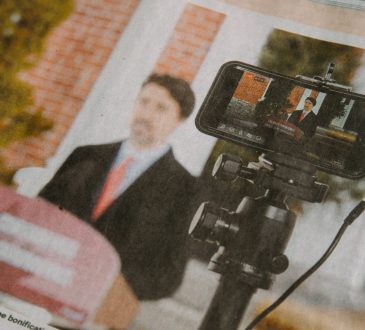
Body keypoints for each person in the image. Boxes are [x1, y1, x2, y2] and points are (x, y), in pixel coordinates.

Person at [39, 73, 197, 300]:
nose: (146, 114)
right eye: (143, 102)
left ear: (179, 120)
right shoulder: (85, 156)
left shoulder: (185, 188)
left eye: (161, 108)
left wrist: (111, 288)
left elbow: (168, 274)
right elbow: (37, 217)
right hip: (41, 284)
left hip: (99, 307)